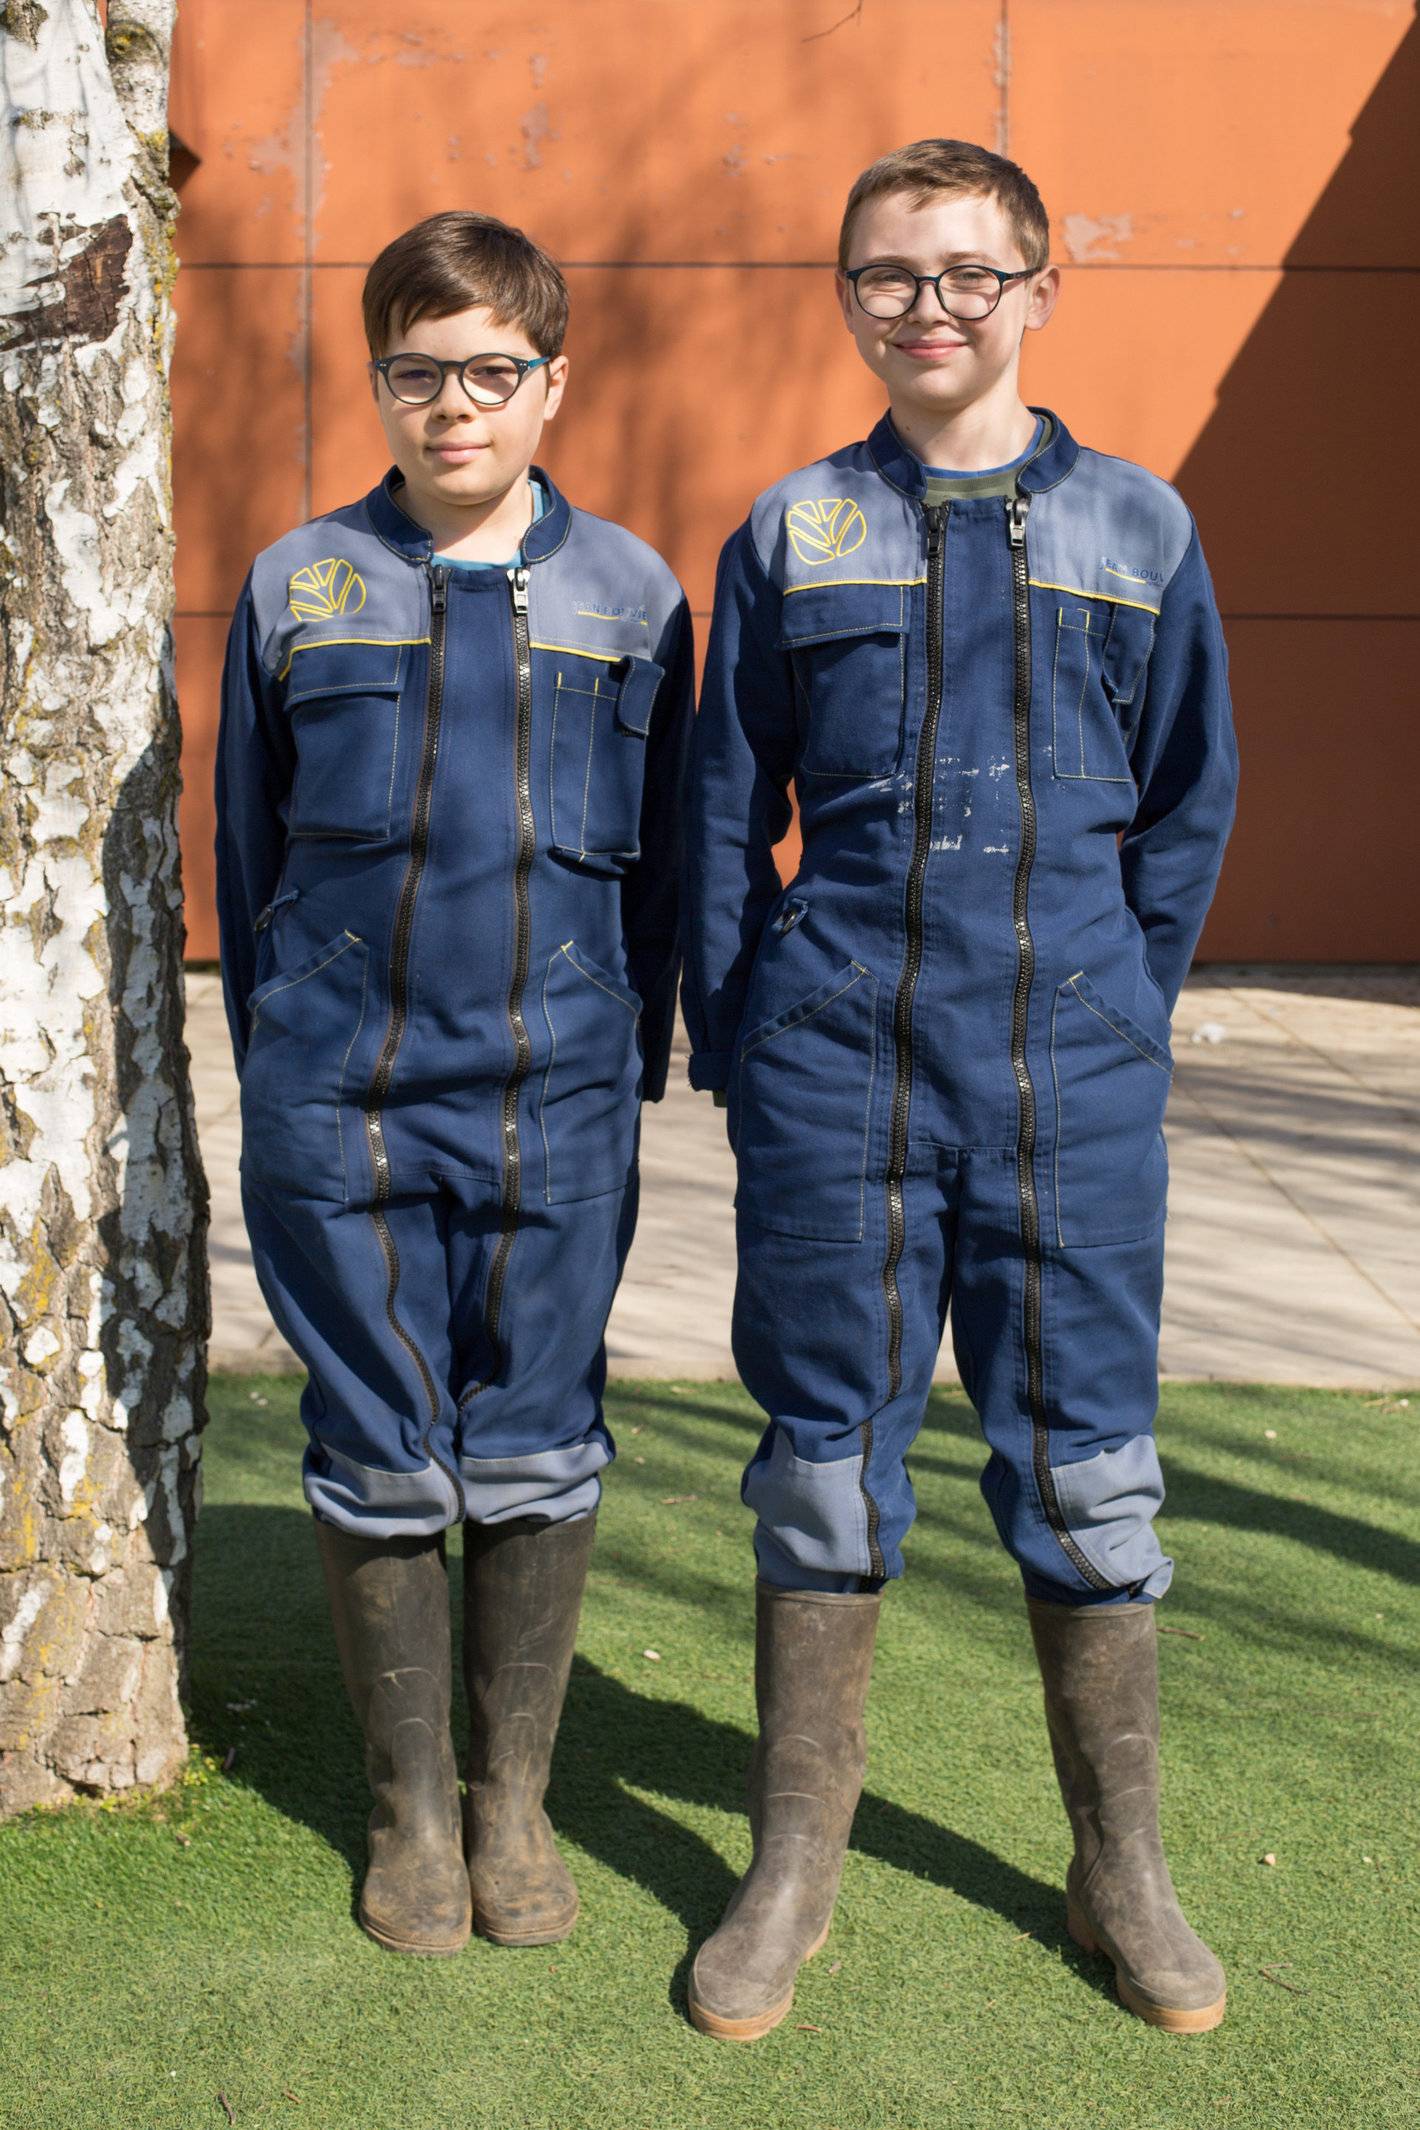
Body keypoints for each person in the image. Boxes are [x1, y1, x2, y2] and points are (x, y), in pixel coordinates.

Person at [682, 139, 1237, 2039]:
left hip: (1070, 1073)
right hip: (839, 1067)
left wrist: (1118, 1011)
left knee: (1088, 1465)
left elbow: (1188, 805)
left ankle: (1120, 1866)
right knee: (821, 1457)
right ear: (847, 297)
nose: (929, 306)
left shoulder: (1143, 530)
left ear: (1039, 289)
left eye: (967, 272)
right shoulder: (794, 532)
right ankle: (794, 1864)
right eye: (888, 275)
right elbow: (722, 813)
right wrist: (751, 1039)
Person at [216, 211, 693, 1957]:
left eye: (493, 370)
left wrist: (633, 1046)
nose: (456, 407)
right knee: (374, 1437)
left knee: (540, 1434)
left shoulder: (635, 596)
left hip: (557, 1094)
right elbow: (248, 850)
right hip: (341, 1090)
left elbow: (668, 864)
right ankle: (412, 1808)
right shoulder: (299, 583)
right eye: (417, 373)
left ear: (552, 383)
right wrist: (284, 1048)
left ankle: (513, 1800)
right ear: (378, 384)